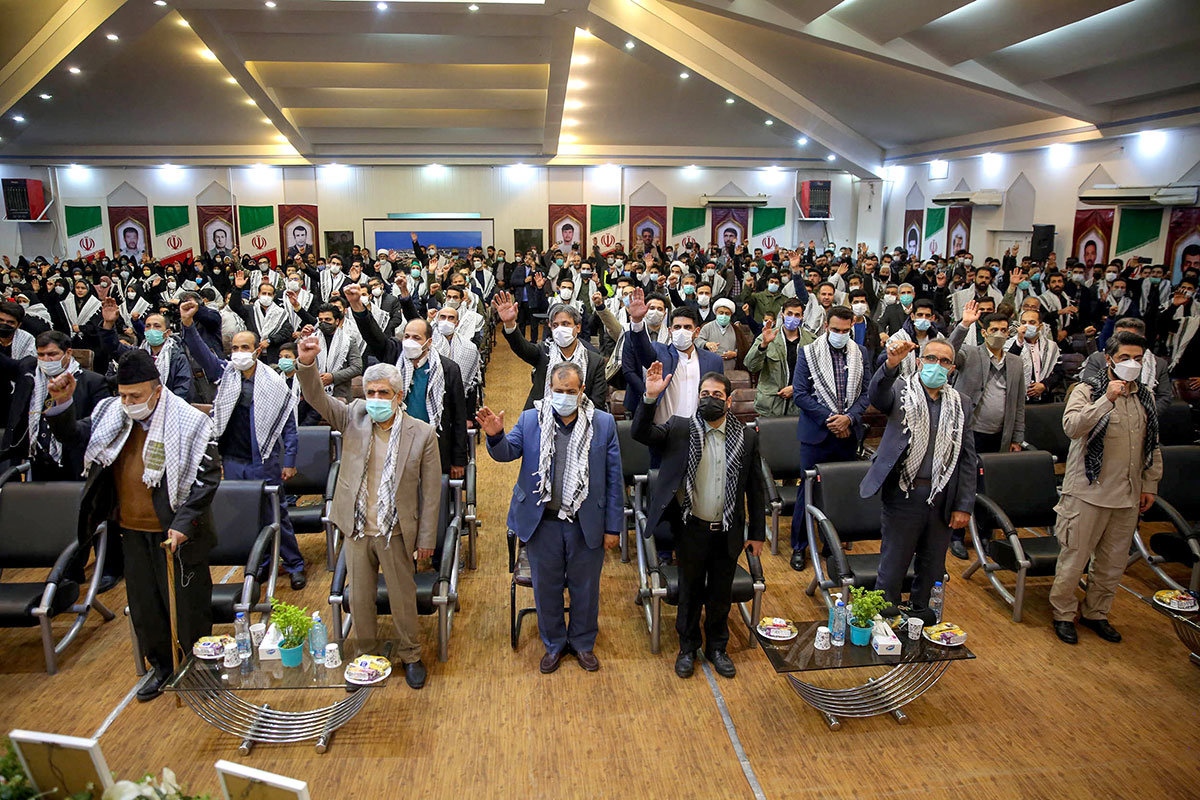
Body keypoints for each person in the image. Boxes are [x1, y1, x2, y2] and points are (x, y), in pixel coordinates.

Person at [45, 350, 221, 701]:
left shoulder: (190, 421)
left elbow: (208, 478)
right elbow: (76, 437)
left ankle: (201, 670)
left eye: (136, 396)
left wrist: (183, 523)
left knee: (188, 608)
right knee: (145, 608)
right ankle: (162, 667)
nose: (128, 403)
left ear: (157, 391)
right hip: (131, 530)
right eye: (124, 395)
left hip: (178, 533)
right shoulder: (111, 414)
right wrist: (63, 403)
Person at [294, 336, 442, 689]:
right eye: (371, 392)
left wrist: (426, 539)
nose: (375, 399)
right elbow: (315, 397)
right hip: (357, 527)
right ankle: (365, 658)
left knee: (402, 597)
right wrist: (307, 364)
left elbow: (431, 492)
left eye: (383, 393)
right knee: (360, 599)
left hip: (396, 529)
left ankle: (411, 655)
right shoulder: (353, 417)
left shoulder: (422, 434)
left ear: (398, 396)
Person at [478, 363, 622, 673]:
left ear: (582, 391)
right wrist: (495, 435)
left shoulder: (603, 423)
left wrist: (613, 527)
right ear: (549, 390)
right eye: (559, 391)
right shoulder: (531, 420)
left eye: (571, 391)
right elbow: (506, 453)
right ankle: (554, 644)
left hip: (585, 523)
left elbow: (614, 479)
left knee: (586, 589)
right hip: (542, 522)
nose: (564, 396)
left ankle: (582, 643)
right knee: (546, 589)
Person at [633, 366, 765, 679]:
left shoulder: (747, 437)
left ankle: (718, 647)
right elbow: (640, 433)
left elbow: (755, 487)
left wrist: (758, 533)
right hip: (691, 528)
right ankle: (687, 648)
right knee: (690, 593)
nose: (709, 399)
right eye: (704, 394)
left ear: (729, 401)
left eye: (717, 395)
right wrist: (650, 397)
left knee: (720, 594)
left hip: (728, 530)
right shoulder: (680, 428)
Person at [180, 299, 307, 588]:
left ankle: (294, 563)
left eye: (244, 347)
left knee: (276, 515)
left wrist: (289, 461)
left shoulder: (273, 381)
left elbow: (288, 425)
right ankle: (260, 563)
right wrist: (188, 324)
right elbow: (201, 353)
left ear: (257, 350)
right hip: (233, 460)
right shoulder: (225, 375)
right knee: (247, 516)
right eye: (235, 348)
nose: (238, 353)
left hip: (264, 459)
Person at [1049, 332, 1163, 645]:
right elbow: (1072, 427)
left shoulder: (1145, 397)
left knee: (1112, 564)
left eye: (1138, 359)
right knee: (1074, 560)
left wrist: (1150, 483)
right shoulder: (1087, 390)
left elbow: (1151, 444)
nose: (1132, 364)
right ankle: (1063, 614)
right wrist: (1106, 400)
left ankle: (1096, 612)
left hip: (1127, 494)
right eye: (1125, 358)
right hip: (1087, 493)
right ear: (1109, 359)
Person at [861, 337, 977, 620]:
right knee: (893, 564)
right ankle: (884, 620)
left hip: (942, 496)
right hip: (904, 493)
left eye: (944, 361)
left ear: (951, 369)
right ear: (920, 361)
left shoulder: (961, 403)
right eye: (931, 358)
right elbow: (876, 396)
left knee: (933, 566)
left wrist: (964, 505)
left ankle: (922, 619)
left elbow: (967, 457)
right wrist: (890, 364)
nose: (937, 365)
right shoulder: (900, 390)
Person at [790, 306, 872, 570]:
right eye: (835, 329)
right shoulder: (808, 352)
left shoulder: (861, 353)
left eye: (845, 330)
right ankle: (799, 546)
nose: (840, 334)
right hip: (817, 434)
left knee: (839, 493)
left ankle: (831, 547)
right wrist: (832, 420)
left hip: (848, 433)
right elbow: (800, 394)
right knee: (807, 491)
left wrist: (849, 418)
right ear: (826, 326)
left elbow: (867, 393)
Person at [3, 330, 110, 481]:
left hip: (75, 462)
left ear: (68, 353)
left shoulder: (93, 382)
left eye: (52, 354)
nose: (46, 359)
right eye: (41, 355)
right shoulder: (30, 376)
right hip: (37, 461)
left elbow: (100, 423)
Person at [493, 293, 608, 410]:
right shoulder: (544, 351)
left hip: (582, 416)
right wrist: (509, 323)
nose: (560, 329)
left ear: (578, 327)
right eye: (555, 325)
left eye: (565, 324)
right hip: (540, 414)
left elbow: (598, 402)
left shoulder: (594, 360)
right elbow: (521, 347)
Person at [623, 289, 724, 422]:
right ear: (670, 331)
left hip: (699, 428)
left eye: (687, 327)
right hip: (663, 428)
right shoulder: (659, 352)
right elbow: (642, 351)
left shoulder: (714, 361)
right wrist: (637, 321)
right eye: (677, 327)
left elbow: (718, 397)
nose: (682, 331)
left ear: (697, 332)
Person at [98, 300, 193, 400]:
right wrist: (108, 323)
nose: (152, 329)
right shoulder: (137, 354)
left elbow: (183, 391)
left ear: (167, 332)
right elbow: (114, 348)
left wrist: (160, 405)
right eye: (148, 326)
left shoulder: (177, 358)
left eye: (157, 326)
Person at [1080, 317, 1172, 415]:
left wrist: (1143, 415)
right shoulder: (1098, 359)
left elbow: (1164, 397)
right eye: (1118, 337)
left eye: (1129, 338)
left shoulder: (1158, 364)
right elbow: (1089, 392)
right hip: (1105, 415)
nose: (1123, 342)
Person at [744, 298, 814, 418]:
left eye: (797, 315)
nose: (793, 318)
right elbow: (750, 366)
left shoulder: (811, 341)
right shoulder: (768, 336)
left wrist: (796, 388)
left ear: (802, 317)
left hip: (799, 405)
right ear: (782, 314)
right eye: (789, 314)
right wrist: (763, 345)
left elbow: (816, 374)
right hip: (771, 404)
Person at [227, 274, 293, 364]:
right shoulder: (250, 310)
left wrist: (270, 340)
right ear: (258, 294)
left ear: (273, 296)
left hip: (273, 355)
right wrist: (238, 288)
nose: (266, 296)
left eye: (269, 294)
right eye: (264, 293)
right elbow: (234, 306)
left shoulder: (281, 313)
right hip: (254, 354)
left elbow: (287, 331)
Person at [1008, 307, 1065, 406]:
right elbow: (1007, 366)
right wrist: (1019, 341)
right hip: (1017, 399)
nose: (1027, 326)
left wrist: (1044, 385)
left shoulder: (1051, 346)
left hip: (1044, 399)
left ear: (1040, 326)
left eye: (1032, 322)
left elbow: (1059, 372)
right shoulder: (1010, 344)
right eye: (1023, 322)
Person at [695, 297, 739, 372]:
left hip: (730, 368)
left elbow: (743, 349)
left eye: (727, 313)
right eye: (721, 313)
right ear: (716, 313)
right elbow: (697, 341)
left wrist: (735, 354)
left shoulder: (736, 329)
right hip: (710, 367)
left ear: (731, 314)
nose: (724, 316)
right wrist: (706, 344)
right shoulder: (707, 327)